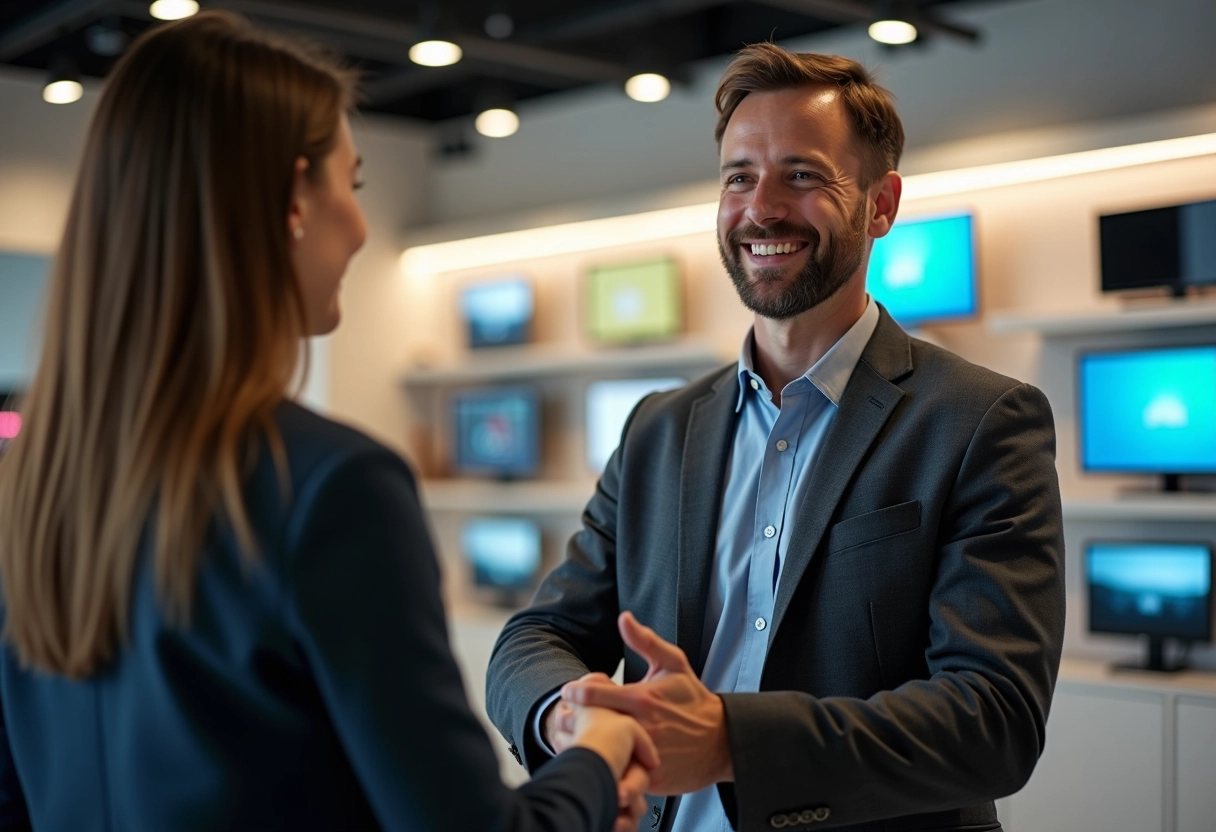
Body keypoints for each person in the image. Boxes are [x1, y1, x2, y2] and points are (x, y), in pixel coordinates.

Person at [0, 12, 657, 832]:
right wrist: (597, 757)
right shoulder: (332, 487)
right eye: (353, 184)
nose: (359, 226)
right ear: (292, 204)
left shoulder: (37, 487)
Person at [486, 43, 1065, 832]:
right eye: (739, 177)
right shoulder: (659, 427)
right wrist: (568, 716)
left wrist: (731, 742)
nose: (761, 209)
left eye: (802, 175)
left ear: (881, 204)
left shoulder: (979, 420)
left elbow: (993, 719)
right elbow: (542, 634)